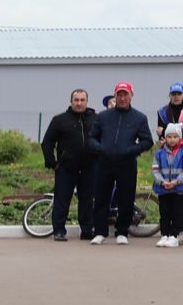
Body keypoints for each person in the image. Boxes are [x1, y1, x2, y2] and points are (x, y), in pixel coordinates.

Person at [89, 81, 153, 244]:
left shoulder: (139, 118)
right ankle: (100, 232)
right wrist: (100, 148)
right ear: (115, 96)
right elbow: (91, 138)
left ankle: (122, 232)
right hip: (104, 162)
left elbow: (147, 141)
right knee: (102, 198)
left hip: (127, 164)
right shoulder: (103, 116)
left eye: (126, 94)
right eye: (119, 94)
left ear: (131, 96)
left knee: (126, 198)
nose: (122, 97)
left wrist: (132, 150)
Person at [40, 88, 98, 241]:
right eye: (76, 100)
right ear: (71, 101)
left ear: (87, 101)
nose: (79, 103)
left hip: (89, 168)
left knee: (87, 200)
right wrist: (53, 164)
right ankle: (59, 231)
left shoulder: (96, 119)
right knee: (62, 200)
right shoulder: (59, 120)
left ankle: (87, 231)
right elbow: (47, 143)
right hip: (66, 169)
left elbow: (103, 141)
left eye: (82, 100)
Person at [152, 123, 183, 247]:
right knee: (164, 213)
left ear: (179, 137)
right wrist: (162, 181)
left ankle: (174, 236)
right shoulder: (159, 153)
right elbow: (155, 169)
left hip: (178, 189)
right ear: (165, 138)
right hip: (163, 188)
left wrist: (177, 181)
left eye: (175, 136)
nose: (172, 139)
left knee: (176, 213)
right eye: (169, 136)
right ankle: (164, 235)